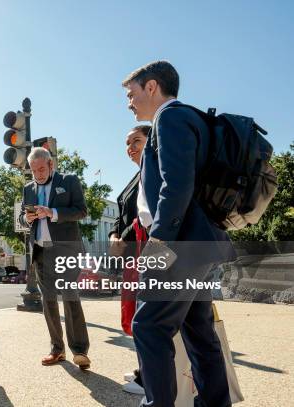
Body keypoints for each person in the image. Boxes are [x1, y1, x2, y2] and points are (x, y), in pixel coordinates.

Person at [123, 60, 233, 407]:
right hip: (199, 245)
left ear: (152, 87)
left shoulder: (169, 118)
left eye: (132, 93)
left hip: (179, 245)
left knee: (149, 327)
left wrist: (159, 241)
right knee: (198, 332)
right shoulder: (192, 118)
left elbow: (176, 185)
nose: (129, 102)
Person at [19, 147, 91, 370]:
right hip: (40, 249)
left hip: (66, 249)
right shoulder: (28, 189)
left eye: (41, 169)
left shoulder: (69, 181)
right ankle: (57, 349)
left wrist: (52, 212)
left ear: (51, 164)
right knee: (48, 300)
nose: (38, 174)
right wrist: (27, 217)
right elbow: (22, 218)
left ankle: (80, 351)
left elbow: (81, 210)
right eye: (33, 171)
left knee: (70, 296)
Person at [108, 125, 150, 395]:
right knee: (135, 313)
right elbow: (123, 214)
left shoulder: (154, 173)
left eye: (137, 141)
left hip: (146, 253)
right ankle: (144, 369)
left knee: (147, 315)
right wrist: (113, 234)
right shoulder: (136, 177)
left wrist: (121, 237)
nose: (130, 147)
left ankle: (150, 378)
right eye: (127, 143)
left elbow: (142, 217)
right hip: (131, 256)